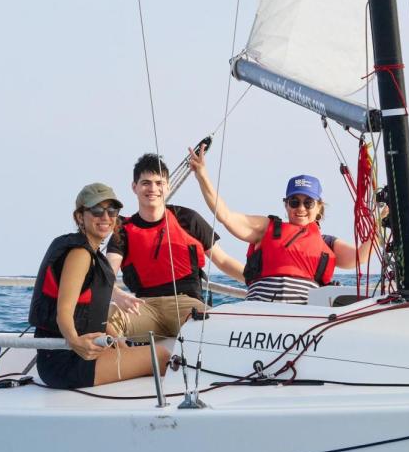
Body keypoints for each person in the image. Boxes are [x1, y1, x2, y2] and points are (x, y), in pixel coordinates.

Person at [189, 147, 382, 304]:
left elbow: (360, 256)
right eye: (294, 202)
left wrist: (380, 223)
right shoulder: (266, 228)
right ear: (286, 204)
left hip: (301, 319)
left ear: (319, 207)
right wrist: (203, 176)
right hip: (259, 314)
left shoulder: (328, 243)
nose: (301, 208)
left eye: (308, 203)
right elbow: (225, 216)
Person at [29, 183, 169, 388]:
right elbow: (64, 311)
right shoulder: (80, 254)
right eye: (96, 210)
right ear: (79, 217)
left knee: (144, 355)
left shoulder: (92, 254)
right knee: (162, 356)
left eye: (112, 210)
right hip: (66, 360)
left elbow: (94, 312)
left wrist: (121, 345)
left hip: (85, 352)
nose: (105, 217)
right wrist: (76, 342)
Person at [104, 154, 245, 341]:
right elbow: (107, 273)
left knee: (222, 329)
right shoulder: (122, 230)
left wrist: (258, 281)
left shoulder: (188, 219)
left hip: (187, 304)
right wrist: (117, 294)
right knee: (102, 319)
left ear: (168, 187)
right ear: (134, 187)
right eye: (146, 183)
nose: (152, 189)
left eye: (158, 183)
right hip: (144, 307)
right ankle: (125, 364)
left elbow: (223, 261)